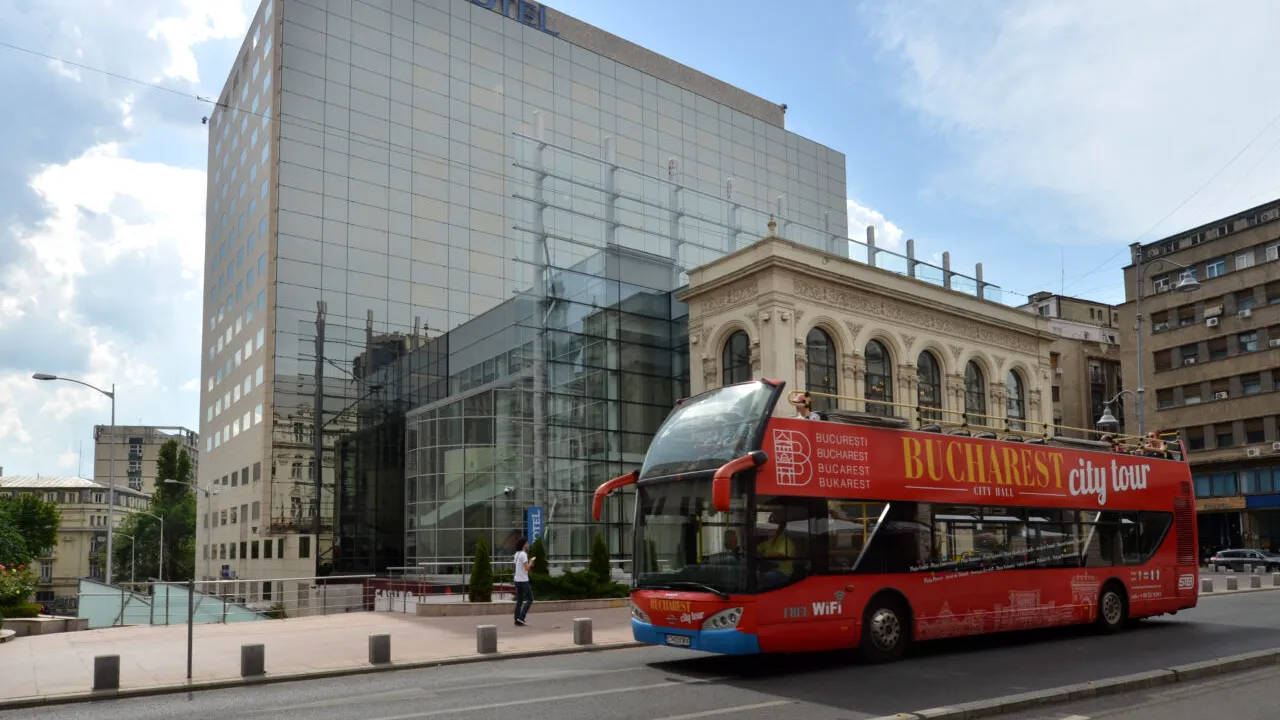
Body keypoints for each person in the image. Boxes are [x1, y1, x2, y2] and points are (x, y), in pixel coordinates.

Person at [513, 537, 535, 626]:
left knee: (519, 600)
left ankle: (517, 619)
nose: (528, 544)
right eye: (527, 543)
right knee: (530, 599)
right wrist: (531, 562)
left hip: (517, 579)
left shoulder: (516, 554)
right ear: (524, 544)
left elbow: (518, 566)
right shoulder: (523, 554)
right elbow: (526, 568)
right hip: (523, 580)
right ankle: (522, 617)